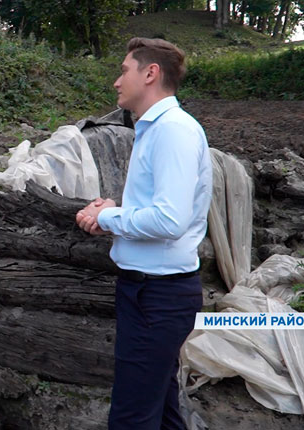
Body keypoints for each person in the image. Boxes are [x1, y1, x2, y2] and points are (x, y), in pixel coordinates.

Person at [75, 37, 212, 430]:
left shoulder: (173, 131)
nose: (117, 81)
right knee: (161, 405)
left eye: (124, 70)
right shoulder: (154, 129)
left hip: (159, 295)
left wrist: (109, 218)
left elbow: (170, 220)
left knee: (133, 416)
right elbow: (156, 203)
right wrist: (114, 208)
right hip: (147, 290)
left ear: (150, 73)